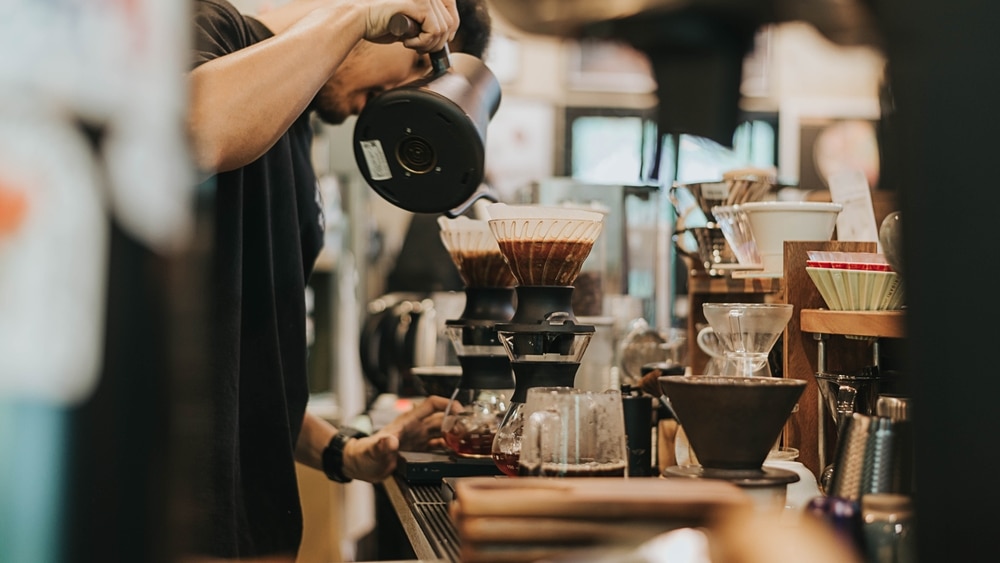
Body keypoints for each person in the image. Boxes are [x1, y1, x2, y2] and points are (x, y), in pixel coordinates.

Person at [187, 0, 493, 559]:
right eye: (405, 80)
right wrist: (354, 15)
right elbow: (194, 134)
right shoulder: (214, 29)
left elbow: (248, 367)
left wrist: (345, 452)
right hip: (176, 525)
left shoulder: (296, 129)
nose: (383, 108)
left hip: (256, 528)